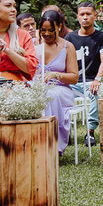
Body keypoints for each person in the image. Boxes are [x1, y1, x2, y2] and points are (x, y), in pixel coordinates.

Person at [67, 1, 103, 143]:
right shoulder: (70, 38)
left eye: (88, 14)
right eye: (82, 14)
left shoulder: (102, 37)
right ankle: (64, 132)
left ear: (95, 16)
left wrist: (98, 79)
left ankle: (90, 131)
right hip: (73, 82)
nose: (85, 17)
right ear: (77, 17)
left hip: (91, 81)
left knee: (97, 92)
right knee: (57, 95)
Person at [35, 10, 77, 153]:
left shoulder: (67, 47)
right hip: (38, 88)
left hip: (61, 89)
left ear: (59, 27)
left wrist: (55, 75)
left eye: (51, 30)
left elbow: (74, 78)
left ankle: (53, 144)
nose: (46, 34)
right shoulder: (34, 46)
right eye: (43, 30)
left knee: (51, 95)